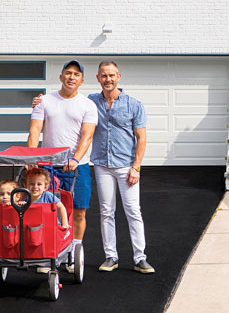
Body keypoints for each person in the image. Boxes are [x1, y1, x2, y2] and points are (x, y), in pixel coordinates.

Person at [33, 60, 154, 274]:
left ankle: (140, 258)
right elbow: (63, 105)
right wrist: (38, 101)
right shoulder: (91, 101)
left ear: (119, 77)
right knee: (106, 211)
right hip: (101, 164)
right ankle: (110, 257)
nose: (108, 79)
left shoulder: (133, 104)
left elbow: (141, 138)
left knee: (133, 211)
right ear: (97, 79)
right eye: (104, 76)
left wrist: (136, 167)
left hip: (126, 165)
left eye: (111, 75)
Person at [27, 59, 97, 269]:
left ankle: (72, 255)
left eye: (76, 74)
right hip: (47, 166)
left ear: (81, 80)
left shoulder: (88, 105)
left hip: (77, 166)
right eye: (68, 73)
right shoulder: (44, 101)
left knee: (78, 211)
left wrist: (75, 159)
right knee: (47, 209)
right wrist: (31, 158)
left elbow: (87, 136)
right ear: (61, 77)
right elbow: (34, 131)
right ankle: (49, 253)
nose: (71, 77)